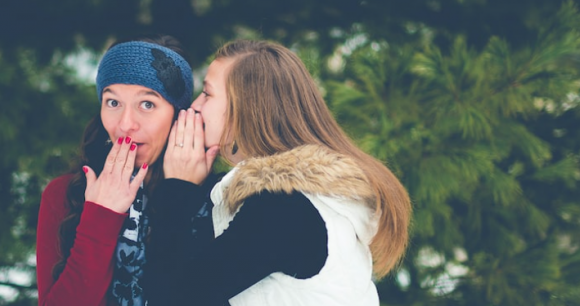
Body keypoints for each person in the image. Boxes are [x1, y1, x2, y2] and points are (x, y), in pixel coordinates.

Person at [145, 39, 412, 306]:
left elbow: (173, 297)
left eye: (207, 93)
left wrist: (177, 190)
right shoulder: (305, 200)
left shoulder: (282, 209)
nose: (195, 106)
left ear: (245, 108)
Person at [36, 36, 218, 306]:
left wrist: (180, 192)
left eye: (147, 104)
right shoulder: (65, 194)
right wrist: (100, 216)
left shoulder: (215, 196)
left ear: (178, 115)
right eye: (113, 102)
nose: (125, 124)